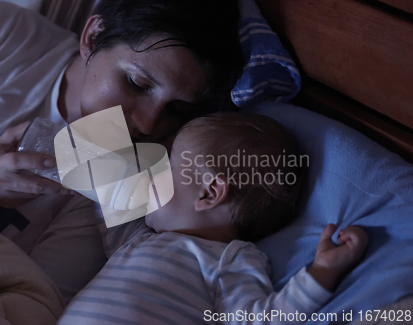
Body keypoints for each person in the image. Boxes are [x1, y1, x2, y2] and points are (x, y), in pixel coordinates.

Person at [0, 0, 243, 303]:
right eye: (137, 83)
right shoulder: (3, 36)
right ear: (93, 36)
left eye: (176, 110)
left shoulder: (116, 196)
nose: (147, 124)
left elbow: (28, 307)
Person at [59, 113, 369, 324]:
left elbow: (257, 319)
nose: (150, 174)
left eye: (166, 167)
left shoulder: (230, 259)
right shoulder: (140, 238)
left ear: (209, 194)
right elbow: (105, 195)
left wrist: (322, 273)